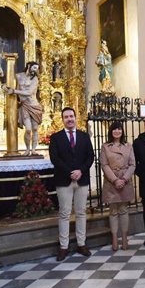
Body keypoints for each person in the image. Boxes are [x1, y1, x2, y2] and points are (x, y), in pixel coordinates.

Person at [49, 107, 94, 261]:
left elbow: (90, 157)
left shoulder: (84, 136)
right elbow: (55, 159)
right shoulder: (56, 138)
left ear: (76, 117)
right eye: (66, 117)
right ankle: (64, 246)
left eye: (71, 116)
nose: (69, 119)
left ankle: (81, 244)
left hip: (82, 180)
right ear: (62, 119)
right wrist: (70, 172)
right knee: (65, 213)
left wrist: (80, 171)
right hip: (64, 180)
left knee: (81, 212)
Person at [100, 121, 136, 251]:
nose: (117, 131)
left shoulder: (128, 145)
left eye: (119, 129)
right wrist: (115, 180)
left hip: (125, 181)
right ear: (111, 131)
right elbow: (104, 165)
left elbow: (133, 164)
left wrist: (124, 179)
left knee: (124, 210)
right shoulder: (105, 146)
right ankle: (115, 239)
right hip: (111, 182)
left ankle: (125, 238)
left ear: (122, 131)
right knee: (113, 211)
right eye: (114, 129)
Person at [7, 61, 43, 156]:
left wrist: (14, 91)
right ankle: (27, 149)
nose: (36, 70)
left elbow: (29, 92)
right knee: (28, 129)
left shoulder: (35, 79)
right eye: (34, 67)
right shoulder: (18, 76)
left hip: (34, 105)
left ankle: (34, 150)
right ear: (28, 66)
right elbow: (10, 84)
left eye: (37, 68)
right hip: (24, 105)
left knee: (35, 128)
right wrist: (5, 87)